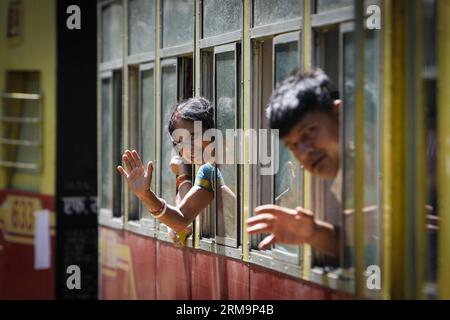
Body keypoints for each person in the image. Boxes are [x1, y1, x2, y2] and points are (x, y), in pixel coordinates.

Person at [246, 69, 342, 257]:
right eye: (293, 145)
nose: (304, 153)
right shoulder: (343, 176)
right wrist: (313, 233)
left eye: (310, 132)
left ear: (338, 113)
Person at [117, 97, 235, 247]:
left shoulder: (223, 168)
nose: (189, 146)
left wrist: (182, 174)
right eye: (180, 141)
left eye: (194, 136)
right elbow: (180, 226)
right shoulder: (209, 172)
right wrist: (145, 195)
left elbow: (179, 230)